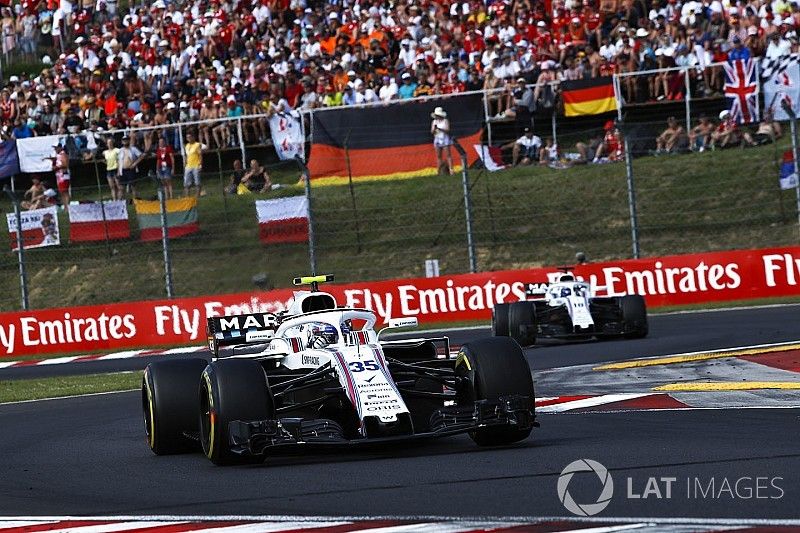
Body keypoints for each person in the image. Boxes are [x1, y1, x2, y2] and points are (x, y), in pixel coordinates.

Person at [430, 107, 453, 175]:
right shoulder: (434, 122)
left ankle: (451, 170)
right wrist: (434, 130)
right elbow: (432, 131)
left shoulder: (445, 121)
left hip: (444, 138)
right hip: (437, 138)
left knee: (448, 155)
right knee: (438, 156)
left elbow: (447, 130)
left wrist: (440, 129)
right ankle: (439, 170)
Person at [183, 132, 204, 197]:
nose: (188, 139)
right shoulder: (186, 146)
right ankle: (187, 197)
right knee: (187, 183)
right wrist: (185, 163)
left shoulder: (197, 145)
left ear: (193, 137)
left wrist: (200, 164)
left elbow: (200, 155)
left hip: (196, 165)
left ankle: (197, 196)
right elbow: (186, 155)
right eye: (187, 137)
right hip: (188, 166)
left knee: (197, 182)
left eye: (189, 137)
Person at [52, 145, 71, 210]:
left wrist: (57, 167)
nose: (55, 149)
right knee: (61, 192)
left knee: (65, 191)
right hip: (59, 176)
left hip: (63, 175)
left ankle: (67, 206)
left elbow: (65, 165)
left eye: (56, 148)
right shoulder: (58, 155)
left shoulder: (63, 154)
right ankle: (65, 206)